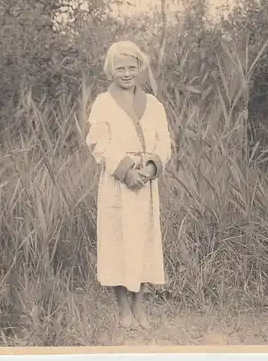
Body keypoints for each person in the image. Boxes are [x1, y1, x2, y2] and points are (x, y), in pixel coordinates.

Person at [86, 40, 172, 330]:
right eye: (119, 68)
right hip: (118, 184)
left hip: (146, 183)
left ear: (140, 68)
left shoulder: (154, 104)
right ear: (111, 70)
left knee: (144, 242)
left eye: (131, 67)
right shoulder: (103, 102)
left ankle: (140, 308)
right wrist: (125, 171)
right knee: (118, 243)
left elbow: (164, 141)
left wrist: (150, 166)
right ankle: (123, 309)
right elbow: (98, 142)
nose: (126, 73)